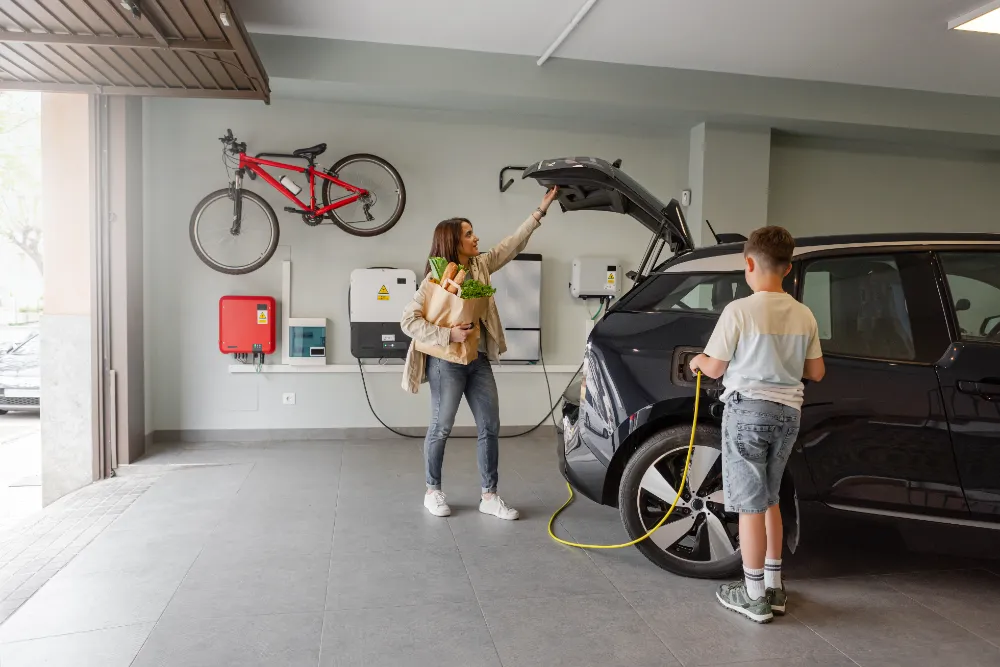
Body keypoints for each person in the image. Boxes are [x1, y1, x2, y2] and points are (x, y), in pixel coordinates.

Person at [689, 226, 825, 624]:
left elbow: (714, 366)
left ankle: (751, 595)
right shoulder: (804, 314)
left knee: (749, 506)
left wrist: (698, 361)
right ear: (787, 268)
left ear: (749, 264)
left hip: (748, 413)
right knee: (770, 499)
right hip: (788, 416)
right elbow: (816, 371)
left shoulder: (739, 311)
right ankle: (774, 587)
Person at [401, 187, 559, 520]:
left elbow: (510, 245)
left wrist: (539, 212)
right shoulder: (433, 280)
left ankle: (489, 496)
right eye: (469, 234)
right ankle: (432, 491)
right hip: (446, 363)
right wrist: (448, 333)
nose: (476, 239)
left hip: (478, 360)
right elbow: (408, 321)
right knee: (440, 428)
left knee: (490, 426)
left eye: (473, 233)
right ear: (453, 242)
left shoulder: (481, 266)